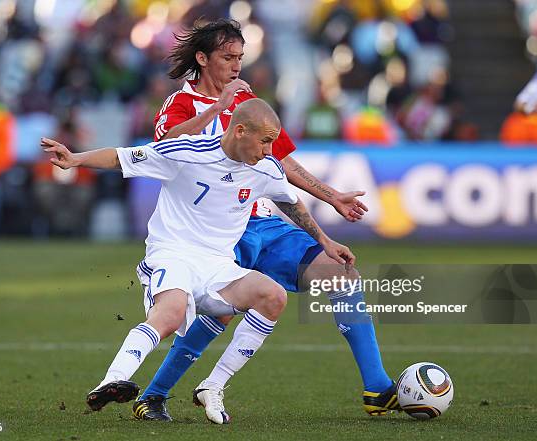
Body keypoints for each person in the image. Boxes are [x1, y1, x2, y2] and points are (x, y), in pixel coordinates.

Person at [129, 19, 399, 422]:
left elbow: (280, 160)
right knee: (217, 312)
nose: (236, 66)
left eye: (240, 57)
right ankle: (154, 395)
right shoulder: (181, 105)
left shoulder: (248, 101)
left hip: (262, 223)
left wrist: (332, 195)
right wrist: (220, 107)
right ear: (202, 59)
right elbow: (165, 148)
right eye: (227, 58)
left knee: (341, 273)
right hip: (213, 230)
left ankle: (377, 388)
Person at [41, 99, 355, 424]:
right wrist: (76, 158)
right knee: (170, 315)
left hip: (219, 266)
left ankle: (213, 385)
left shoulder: (266, 168)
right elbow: (123, 157)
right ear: (240, 131)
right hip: (173, 254)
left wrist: (325, 241)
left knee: (273, 297)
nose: (269, 149)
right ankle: (111, 381)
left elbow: (292, 205)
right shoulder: (187, 153)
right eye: (264, 141)